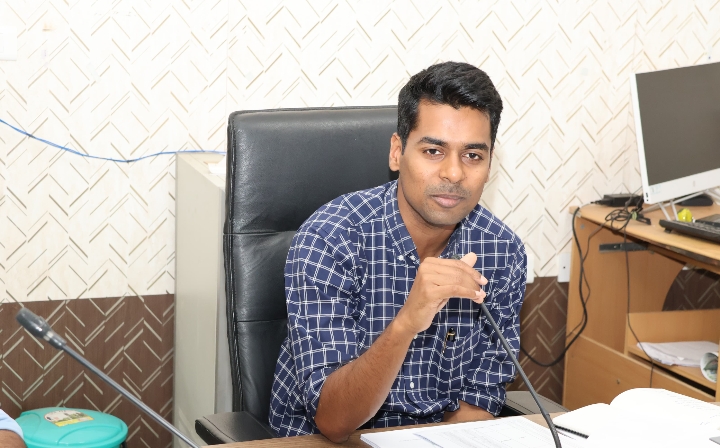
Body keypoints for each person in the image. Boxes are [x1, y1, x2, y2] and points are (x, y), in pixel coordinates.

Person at [269, 61, 526, 442]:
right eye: (433, 151)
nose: (454, 174)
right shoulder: (330, 239)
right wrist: (407, 323)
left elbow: (478, 401)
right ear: (397, 152)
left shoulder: (502, 251)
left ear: (489, 165)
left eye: (473, 155)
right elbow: (333, 421)